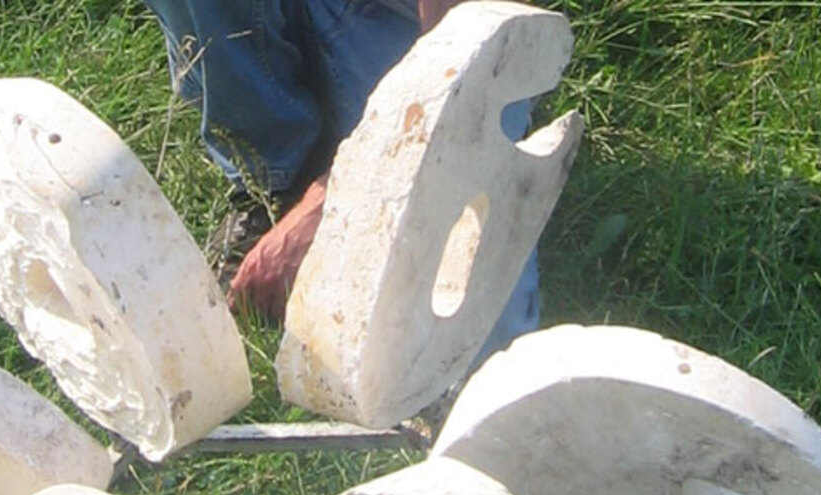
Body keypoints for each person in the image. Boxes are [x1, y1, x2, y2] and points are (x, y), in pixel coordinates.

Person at [139, 0, 540, 359]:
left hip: (439, 31)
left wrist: (333, 203)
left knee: (475, 347)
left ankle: (325, 169)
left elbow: (460, 69)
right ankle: (272, 179)